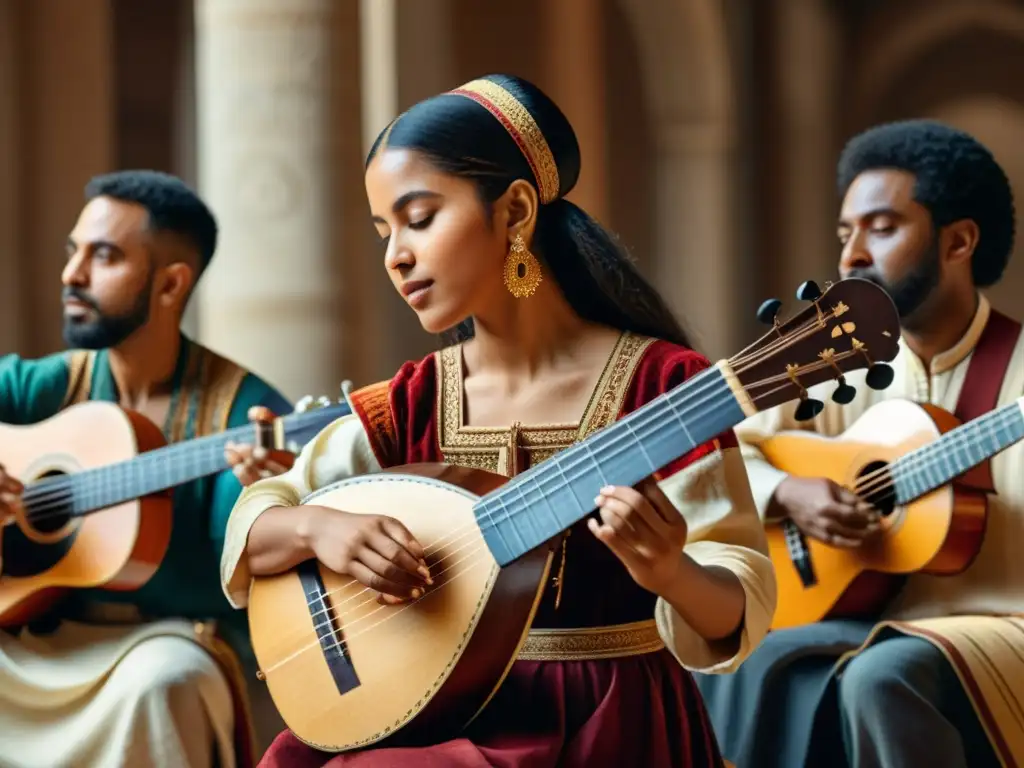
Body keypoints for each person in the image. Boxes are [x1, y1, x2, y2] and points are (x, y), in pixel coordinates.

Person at [220, 74, 777, 767]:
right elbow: (256, 521)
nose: (396, 254)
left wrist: (671, 572)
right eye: (383, 230)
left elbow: (736, 606)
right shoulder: (412, 400)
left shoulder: (664, 388)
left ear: (514, 212)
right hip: (431, 707)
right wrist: (318, 528)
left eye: (419, 218)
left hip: (602, 721)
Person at [694, 119, 1024, 768]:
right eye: (846, 234)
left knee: (882, 675)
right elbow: (716, 454)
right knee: (723, 648)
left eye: (881, 227)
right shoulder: (841, 369)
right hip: (870, 617)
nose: (850, 257)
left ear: (958, 242)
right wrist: (788, 490)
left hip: (1006, 626)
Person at [0, 170, 294, 768]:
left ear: (169, 285)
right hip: (34, 643)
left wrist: (263, 499)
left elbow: (252, 572)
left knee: (163, 682)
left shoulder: (245, 413)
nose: (71, 275)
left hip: (166, 642)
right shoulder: (50, 385)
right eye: (72, 251)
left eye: (102, 256)